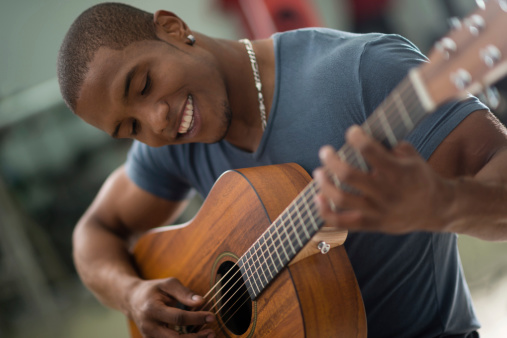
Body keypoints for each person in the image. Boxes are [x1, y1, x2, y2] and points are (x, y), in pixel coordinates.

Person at [57, 3, 507, 338]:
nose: (156, 122)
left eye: (144, 83)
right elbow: (95, 231)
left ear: (174, 29)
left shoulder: (363, 70)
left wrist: (444, 205)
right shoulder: (174, 141)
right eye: (129, 127)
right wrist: (131, 296)